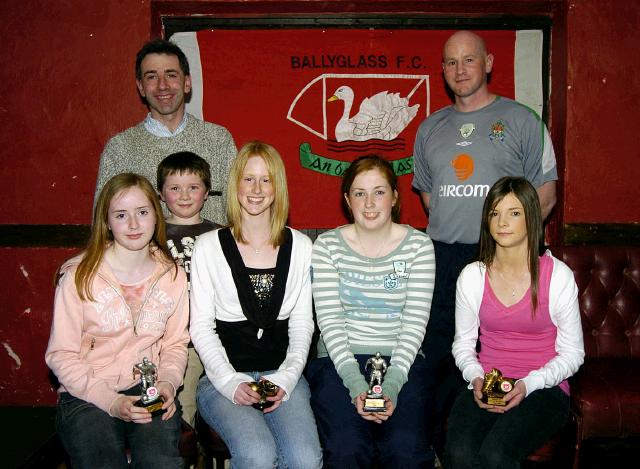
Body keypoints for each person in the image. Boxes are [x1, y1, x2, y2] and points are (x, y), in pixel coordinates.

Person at [411, 30, 559, 450]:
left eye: (469, 60)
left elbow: (544, 192)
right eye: (451, 62)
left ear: (489, 62)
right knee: (441, 356)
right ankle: (446, 449)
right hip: (443, 260)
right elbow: (429, 196)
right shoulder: (430, 128)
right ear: (442, 69)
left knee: (494, 356)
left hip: (501, 260)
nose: (460, 70)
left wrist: (510, 249)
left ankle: (492, 445)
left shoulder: (522, 120)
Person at [190, 141, 323, 468]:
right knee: (258, 455)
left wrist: (287, 378)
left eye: (266, 180)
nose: (256, 189)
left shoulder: (302, 246)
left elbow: (303, 325)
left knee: (305, 460)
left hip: (281, 374)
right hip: (222, 379)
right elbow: (202, 328)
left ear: (278, 188)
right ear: (235, 185)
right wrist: (230, 381)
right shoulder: (208, 247)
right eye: (248, 179)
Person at [45, 173, 189, 469]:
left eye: (142, 212)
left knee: (158, 462)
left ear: (156, 215)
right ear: (106, 222)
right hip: (87, 392)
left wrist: (168, 383)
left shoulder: (173, 275)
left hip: (148, 389)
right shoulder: (78, 276)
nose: (134, 225)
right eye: (121, 215)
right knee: (102, 460)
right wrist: (110, 401)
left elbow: (175, 345)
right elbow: (61, 355)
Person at [444, 177, 584, 469]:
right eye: (495, 213)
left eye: (514, 212)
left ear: (531, 217)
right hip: (488, 380)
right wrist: (475, 377)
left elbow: (573, 354)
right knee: (459, 455)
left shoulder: (557, 276)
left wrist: (530, 383)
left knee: (496, 455)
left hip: (545, 387)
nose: (502, 222)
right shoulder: (472, 276)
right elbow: (463, 344)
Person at [308, 155, 436, 468]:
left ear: (394, 197)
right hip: (339, 361)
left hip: (402, 360)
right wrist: (356, 386)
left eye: (379, 192)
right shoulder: (326, 246)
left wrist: (390, 385)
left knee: (405, 450)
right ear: (346, 200)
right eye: (359, 193)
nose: (369, 203)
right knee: (345, 449)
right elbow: (331, 325)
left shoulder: (419, 246)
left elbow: (414, 326)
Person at [95, 38, 236, 223]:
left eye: (171, 75)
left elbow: (239, 214)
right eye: (151, 76)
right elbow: (102, 225)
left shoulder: (219, 140)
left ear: (187, 83)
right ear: (141, 87)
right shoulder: (119, 149)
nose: (162, 85)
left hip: (212, 251)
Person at [157, 151, 220, 427]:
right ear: (161, 194)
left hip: (217, 337)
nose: (184, 196)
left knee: (223, 412)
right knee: (183, 413)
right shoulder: (151, 234)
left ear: (206, 192)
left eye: (193, 187)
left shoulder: (222, 235)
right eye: (174, 188)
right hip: (178, 342)